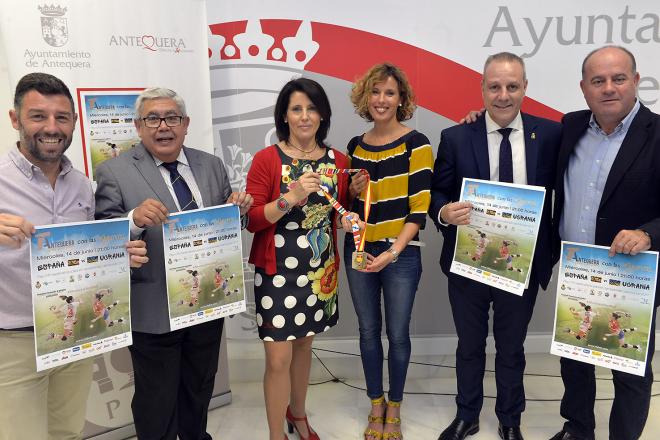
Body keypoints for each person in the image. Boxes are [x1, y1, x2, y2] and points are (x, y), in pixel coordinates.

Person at [94, 87, 253, 440]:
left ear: (185, 124)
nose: (163, 126)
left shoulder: (210, 165)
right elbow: (102, 240)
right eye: (152, 118)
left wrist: (237, 211)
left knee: (198, 391)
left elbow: (226, 227)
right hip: (152, 309)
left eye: (172, 118)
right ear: (138, 126)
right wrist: (134, 219)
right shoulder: (113, 172)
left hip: (207, 303)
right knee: (157, 402)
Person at [0, 72, 147, 440]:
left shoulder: (83, 184)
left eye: (61, 118)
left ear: (74, 124)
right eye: (38, 116)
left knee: (67, 432)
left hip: (74, 336)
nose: (51, 127)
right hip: (14, 342)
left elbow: (85, 254)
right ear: (15, 119)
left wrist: (116, 258)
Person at [429, 52, 561, 440]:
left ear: (525, 88)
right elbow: (437, 191)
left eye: (512, 86)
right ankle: (467, 415)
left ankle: (509, 419)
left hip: (520, 264)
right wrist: (443, 213)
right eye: (494, 86)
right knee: (469, 346)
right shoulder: (455, 136)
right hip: (468, 261)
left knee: (511, 349)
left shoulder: (551, 134)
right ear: (482, 88)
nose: (503, 95)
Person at [549, 45, 660, 440]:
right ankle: (577, 429)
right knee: (574, 359)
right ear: (584, 88)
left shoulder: (658, 133)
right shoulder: (571, 125)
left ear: (636, 81)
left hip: (630, 274)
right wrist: (479, 119)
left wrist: (649, 233)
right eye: (598, 81)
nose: (609, 88)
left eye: (618, 78)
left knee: (629, 369)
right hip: (577, 270)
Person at [245, 77, 350, 440]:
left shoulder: (338, 160)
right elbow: (253, 220)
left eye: (312, 108)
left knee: (305, 344)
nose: (305, 116)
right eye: (296, 109)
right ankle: (277, 434)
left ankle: (299, 414)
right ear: (284, 116)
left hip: (320, 269)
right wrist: (289, 197)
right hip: (277, 273)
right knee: (277, 359)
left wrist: (350, 217)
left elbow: (336, 214)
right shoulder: (266, 159)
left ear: (323, 115)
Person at [344, 63, 434, 440]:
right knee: (367, 332)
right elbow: (349, 204)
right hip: (361, 251)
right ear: (366, 97)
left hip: (401, 254)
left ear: (402, 99)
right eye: (376, 92)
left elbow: (420, 208)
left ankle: (394, 407)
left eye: (390, 93)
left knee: (397, 334)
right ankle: (375, 402)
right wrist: (351, 194)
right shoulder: (354, 147)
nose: (382, 100)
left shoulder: (418, 143)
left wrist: (394, 251)